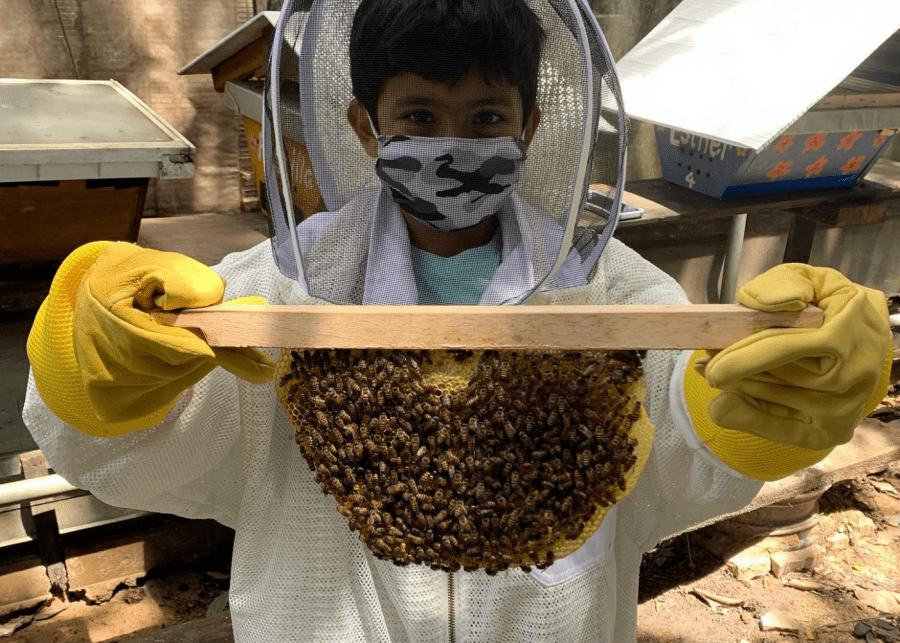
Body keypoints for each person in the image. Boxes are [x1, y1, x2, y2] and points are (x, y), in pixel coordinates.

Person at [23, 0, 892, 641]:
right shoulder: (279, 291)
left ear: (531, 123)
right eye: (420, 117)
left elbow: (676, 461)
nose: (454, 143)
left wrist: (746, 416)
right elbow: (143, 456)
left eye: (484, 119)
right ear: (366, 127)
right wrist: (100, 378)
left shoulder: (616, 294)